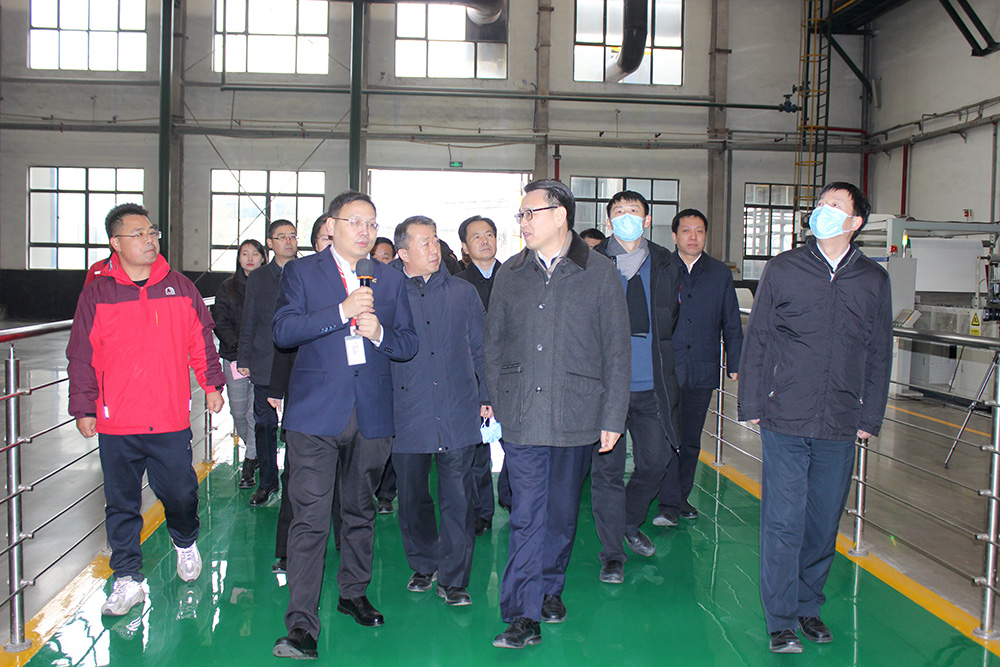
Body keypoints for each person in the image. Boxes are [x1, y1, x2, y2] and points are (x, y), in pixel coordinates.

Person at [738, 182, 892, 654]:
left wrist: (871, 414)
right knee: (783, 522)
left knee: (823, 522)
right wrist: (751, 403)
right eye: (821, 203)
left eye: (834, 205)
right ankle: (781, 620)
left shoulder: (872, 279)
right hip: (785, 414)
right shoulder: (784, 268)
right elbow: (759, 338)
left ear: (855, 222)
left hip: (841, 419)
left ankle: (809, 606)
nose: (822, 210)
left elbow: (879, 351)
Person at [271, 191, 418, 660]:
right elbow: (284, 331)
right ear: (331, 226)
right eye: (355, 221)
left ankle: (353, 592)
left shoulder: (390, 279)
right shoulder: (301, 272)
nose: (365, 231)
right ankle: (301, 625)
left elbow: (408, 343)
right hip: (315, 415)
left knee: (359, 511)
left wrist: (379, 333)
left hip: (371, 414)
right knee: (310, 520)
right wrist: (342, 312)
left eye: (372, 223)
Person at [484, 179, 630, 649]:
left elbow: (617, 350)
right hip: (523, 412)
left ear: (560, 214)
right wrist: (497, 400)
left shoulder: (600, 272)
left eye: (530, 213)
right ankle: (522, 614)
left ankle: (549, 588)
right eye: (521, 215)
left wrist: (612, 416)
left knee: (563, 513)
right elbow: (493, 343)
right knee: (527, 514)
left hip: (576, 411)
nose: (523, 223)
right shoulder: (511, 273)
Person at [67, 203, 225, 617]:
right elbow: (81, 354)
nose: (149, 240)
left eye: (152, 232)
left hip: (168, 417)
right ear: (115, 243)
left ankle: (185, 540)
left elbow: (201, 341)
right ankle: (127, 578)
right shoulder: (97, 293)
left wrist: (211, 384)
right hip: (116, 421)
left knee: (180, 493)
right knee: (121, 503)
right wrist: (83, 405)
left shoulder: (180, 287)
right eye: (138, 234)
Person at [390, 215, 491, 606]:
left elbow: (480, 347)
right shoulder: (387, 293)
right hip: (407, 411)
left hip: (457, 409)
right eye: (424, 243)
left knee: (458, 499)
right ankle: (423, 563)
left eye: (435, 240)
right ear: (403, 253)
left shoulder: (463, 293)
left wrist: (486, 395)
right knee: (412, 497)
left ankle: (454, 579)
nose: (434, 249)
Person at [590, 190, 682, 584]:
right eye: (619, 212)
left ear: (646, 220)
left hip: (650, 386)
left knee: (656, 461)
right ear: (608, 221)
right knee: (607, 473)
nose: (626, 217)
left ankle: (627, 521)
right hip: (605, 389)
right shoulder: (591, 263)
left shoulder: (665, 263)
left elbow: (673, 319)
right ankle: (612, 554)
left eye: (634, 211)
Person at [654, 209, 743, 526]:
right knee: (666, 437)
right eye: (686, 230)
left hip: (702, 367)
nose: (693, 237)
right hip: (666, 368)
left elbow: (731, 320)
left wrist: (735, 361)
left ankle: (680, 497)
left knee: (690, 439)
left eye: (699, 231)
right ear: (674, 235)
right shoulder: (661, 269)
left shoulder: (719, 273)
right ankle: (667, 501)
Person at [269, 218, 336, 574]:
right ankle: (286, 550)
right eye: (326, 238)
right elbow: (284, 342)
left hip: (344, 398)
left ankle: (342, 546)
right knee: (297, 476)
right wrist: (276, 389)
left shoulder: (359, 280)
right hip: (306, 396)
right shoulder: (301, 277)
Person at [237, 219, 298, 508]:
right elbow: (249, 318)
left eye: (292, 236)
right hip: (265, 360)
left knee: (296, 427)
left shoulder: (307, 271)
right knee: (264, 424)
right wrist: (244, 357)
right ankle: (267, 482)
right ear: (270, 243)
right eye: (281, 237)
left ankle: (294, 481)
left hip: (299, 361)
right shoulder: (259, 277)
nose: (288, 241)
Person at [455, 215, 505, 533]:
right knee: (476, 451)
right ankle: (481, 511)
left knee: (520, 446)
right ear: (464, 246)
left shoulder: (514, 277)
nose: (485, 241)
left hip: (513, 374)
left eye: (489, 234)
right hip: (472, 376)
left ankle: (513, 498)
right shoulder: (457, 285)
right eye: (476, 237)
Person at [213, 239, 267, 489]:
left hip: (262, 358)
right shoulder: (228, 287)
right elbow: (220, 321)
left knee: (253, 412)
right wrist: (239, 348)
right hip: (234, 357)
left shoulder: (270, 284)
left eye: (255, 253)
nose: (250, 258)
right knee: (238, 411)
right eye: (245, 253)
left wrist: (257, 349)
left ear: (263, 257)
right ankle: (254, 450)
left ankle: (250, 461)